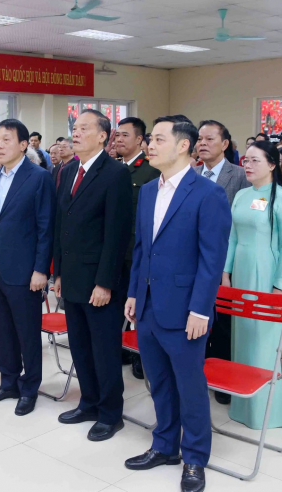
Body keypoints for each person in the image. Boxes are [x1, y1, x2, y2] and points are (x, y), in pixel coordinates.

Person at [124, 116, 231, 492]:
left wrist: (200, 309)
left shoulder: (207, 193)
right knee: (158, 383)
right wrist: (134, 293)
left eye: (158, 139)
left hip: (187, 310)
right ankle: (165, 445)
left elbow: (212, 259)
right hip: (149, 305)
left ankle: (195, 457)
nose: (149, 145)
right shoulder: (148, 191)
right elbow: (142, 248)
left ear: (183, 145)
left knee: (190, 386)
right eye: (150, 139)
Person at [54, 109, 132, 441]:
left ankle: (111, 413)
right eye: (75, 127)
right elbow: (61, 225)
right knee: (80, 346)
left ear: (102, 136)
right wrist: (58, 272)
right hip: (71, 276)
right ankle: (88, 402)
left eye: (84, 128)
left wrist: (105, 282)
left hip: (99, 280)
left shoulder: (115, 173)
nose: (76, 132)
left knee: (104, 349)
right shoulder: (68, 169)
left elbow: (117, 234)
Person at [222, 140, 282, 430]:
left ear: (271, 165)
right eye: (246, 160)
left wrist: (280, 285)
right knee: (244, 335)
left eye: (255, 160)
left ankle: (271, 410)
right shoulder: (242, 195)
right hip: (242, 273)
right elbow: (232, 236)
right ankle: (244, 404)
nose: (248, 165)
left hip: (269, 275)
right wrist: (226, 271)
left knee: (265, 339)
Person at [0, 118, 55, 416]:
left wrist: (41, 269)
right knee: (2, 330)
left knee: (27, 333)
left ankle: (29, 388)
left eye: (6, 139)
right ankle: (8, 382)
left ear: (24, 145)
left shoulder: (39, 178)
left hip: (25, 271)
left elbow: (45, 227)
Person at [193, 120, 252, 403]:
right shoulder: (191, 173)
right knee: (195, 315)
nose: (202, 144)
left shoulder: (239, 175)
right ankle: (197, 371)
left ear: (225, 144)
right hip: (192, 259)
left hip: (225, 260)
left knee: (223, 320)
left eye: (209, 139)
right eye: (199, 139)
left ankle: (222, 379)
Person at [115, 117, 159, 380]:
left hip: (137, 251)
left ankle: (140, 356)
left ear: (140, 140)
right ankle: (122, 349)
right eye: (117, 135)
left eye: (125, 135)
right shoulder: (114, 168)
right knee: (119, 303)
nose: (119, 139)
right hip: (116, 251)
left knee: (139, 307)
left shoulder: (150, 171)